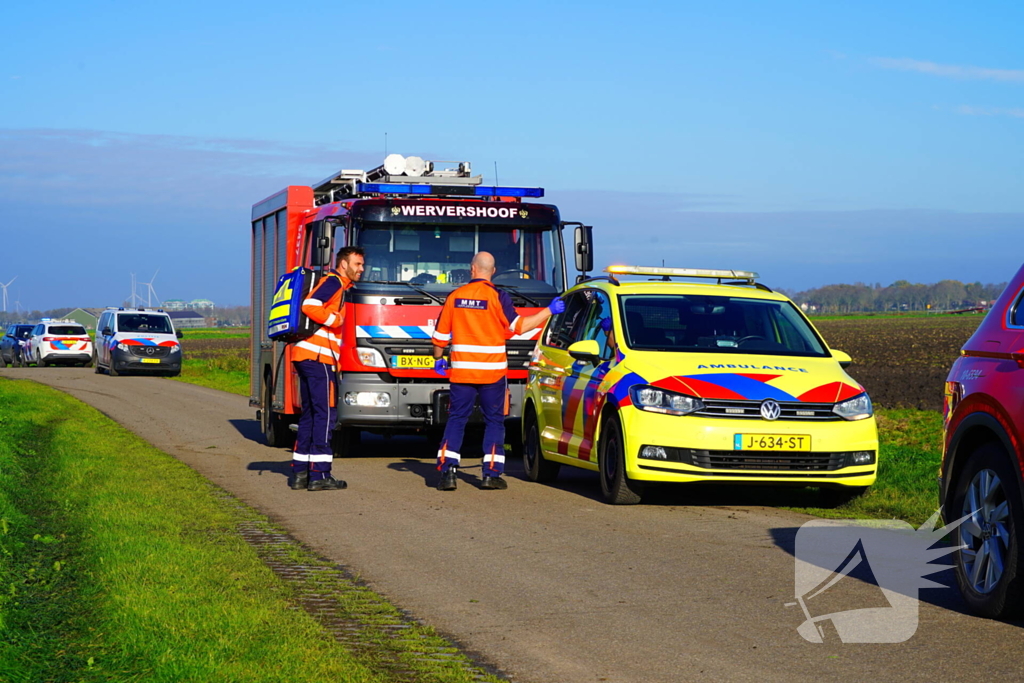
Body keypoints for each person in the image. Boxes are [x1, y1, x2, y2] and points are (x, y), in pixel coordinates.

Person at [431, 251, 565, 491]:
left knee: (457, 419)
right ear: (492, 272)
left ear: (472, 269)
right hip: (492, 374)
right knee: (494, 421)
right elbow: (521, 327)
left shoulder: (455, 296)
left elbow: (440, 336)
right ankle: (490, 475)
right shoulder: (498, 297)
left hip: (462, 373)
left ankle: (448, 471)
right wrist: (549, 311)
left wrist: (439, 359)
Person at [289, 246, 365, 491]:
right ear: (343, 264)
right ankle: (320, 475)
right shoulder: (333, 282)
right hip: (318, 358)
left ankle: (300, 473)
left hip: (308, 357)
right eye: (357, 264)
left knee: (311, 415)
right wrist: (336, 319)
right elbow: (310, 305)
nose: (361, 269)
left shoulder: (339, 286)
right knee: (326, 415)